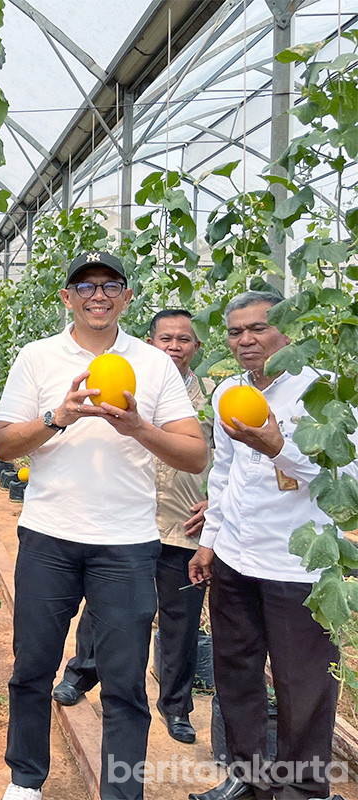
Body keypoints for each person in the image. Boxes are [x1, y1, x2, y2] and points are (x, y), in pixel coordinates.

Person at [0, 252, 207, 800]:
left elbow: (193, 454)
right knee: (33, 665)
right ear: (66, 296)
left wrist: (138, 426)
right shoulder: (37, 357)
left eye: (111, 285)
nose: (98, 295)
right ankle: (25, 780)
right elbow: (3, 444)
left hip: (128, 544)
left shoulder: (154, 365)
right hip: (48, 536)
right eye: (85, 285)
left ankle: (121, 790)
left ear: (126, 298)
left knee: (125, 677)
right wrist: (55, 418)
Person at [186, 291, 358, 800]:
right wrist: (210, 542)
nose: (245, 340)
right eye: (236, 332)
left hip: (297, 565)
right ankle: (247, 777)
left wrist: (281, 449)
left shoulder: (323, 395)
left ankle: (303, 790)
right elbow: (225, 472)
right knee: (236, 671)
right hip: (238, 556)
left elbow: (347, 478)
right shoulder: (228, 393)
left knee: (301, 683)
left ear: (287, 331)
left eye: (257, 328)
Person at [52, 309, 214, 745]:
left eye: (184, 339)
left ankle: (176, 707)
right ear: (151, 342)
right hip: (124, 521)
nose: (174, 346)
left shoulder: (214, 397)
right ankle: (81, 675)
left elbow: (232, 460)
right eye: (166, 338)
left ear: (197, 347)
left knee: (180, 623)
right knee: (102, 609)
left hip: (182, 526)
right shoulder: (122, 382)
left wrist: (217, 505)